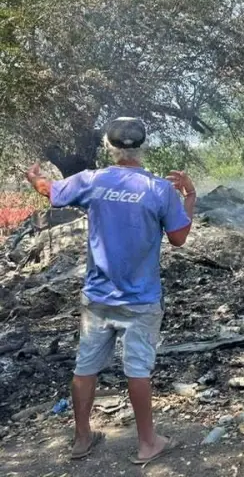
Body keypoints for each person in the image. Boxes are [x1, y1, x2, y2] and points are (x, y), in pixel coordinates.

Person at [25, 117, 195, 464]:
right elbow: (179, 239)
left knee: (85, 367)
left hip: (98, 296)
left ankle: (82, 438)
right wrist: (190, 196)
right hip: (141, 299)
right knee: (137, 370)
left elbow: (51, 192)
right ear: (144, 145)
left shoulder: (94, 180)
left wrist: (35, 178)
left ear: (108, 145)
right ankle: (147, 443)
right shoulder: (159, 189)